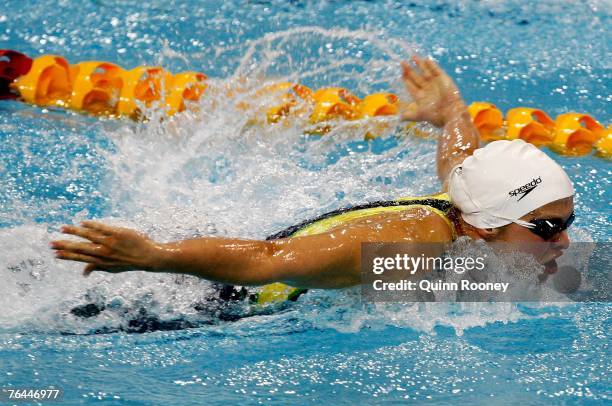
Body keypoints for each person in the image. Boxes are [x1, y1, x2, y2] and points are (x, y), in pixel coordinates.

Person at [52, 56, 575, 299]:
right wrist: (154, 256)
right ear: (484, 227)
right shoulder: (404, 249)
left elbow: (462, 158)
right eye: (547, 229)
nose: (567, 241)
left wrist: (452, 111)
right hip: (225, 305)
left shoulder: (468, 198)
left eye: (566, 222)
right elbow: (265, 261)